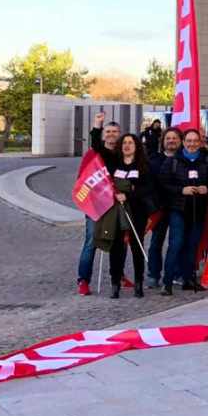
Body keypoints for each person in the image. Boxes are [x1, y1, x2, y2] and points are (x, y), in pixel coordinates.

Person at [156, 128, 208, 293]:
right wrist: (181, 190)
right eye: (189, 141)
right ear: (183, 142)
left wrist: (207, 188)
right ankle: (167, 282)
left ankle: (188, 279)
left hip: (199, 209)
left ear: (200, 142)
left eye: (195, 141)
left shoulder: (207, 160)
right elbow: (163, 184)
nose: (192, 144)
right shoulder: (173, 161)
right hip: (178, 209)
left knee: (192, 246)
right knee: (176, 244)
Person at [77, 111, 123, 295]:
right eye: (108, 132)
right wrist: (97, 123)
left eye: (115, 132)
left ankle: (117, 275)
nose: (111, 135)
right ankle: (83, 279)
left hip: (116, 204)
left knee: (117, 242)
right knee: (91, 242)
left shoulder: (122, 153)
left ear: (119, 134)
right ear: (104, 135)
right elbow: (95, 142)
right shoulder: (98, 152)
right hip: (96, 204)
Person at [102, 133, 152, 299]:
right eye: (124, 142)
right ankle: (115, 283)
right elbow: (97, 148)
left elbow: (147, 188)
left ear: (136, 146)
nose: (127, 145)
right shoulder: (114, 164)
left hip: (137, 210)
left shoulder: (143, 166)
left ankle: (139, 283)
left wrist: (129, 195)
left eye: (130, 142)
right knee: (116, 247)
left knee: (136, 246)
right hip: (117, 211)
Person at [144, 126, 182, 290]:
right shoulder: (153, 160)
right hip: (159, 208)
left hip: (178, 208)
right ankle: (153, 274)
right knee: (155, 243)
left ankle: (174, 273)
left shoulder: (184, 159)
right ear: (163, 141)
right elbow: (148, 185)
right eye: (168, 138)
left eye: (174, 138)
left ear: (180, 141)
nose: (171, 141)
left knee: (176, 243)